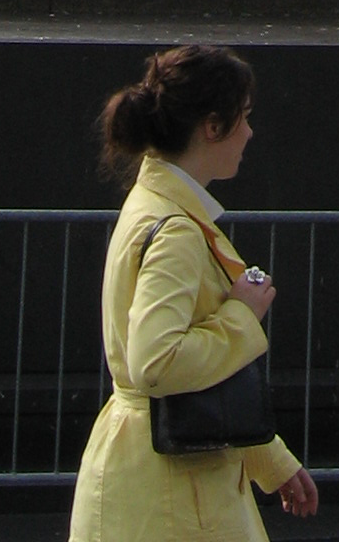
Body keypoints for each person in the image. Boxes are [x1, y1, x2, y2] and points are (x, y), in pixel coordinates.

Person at [68, 43, 319, 542]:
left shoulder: (153, 205)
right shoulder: (177, 228)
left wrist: (272, 461)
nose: (249, 132)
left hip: (154, 476)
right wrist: (242, 318)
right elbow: (157, 364)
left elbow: (187, 378)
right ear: (212, 126)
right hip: (171, 493)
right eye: (243, 117)